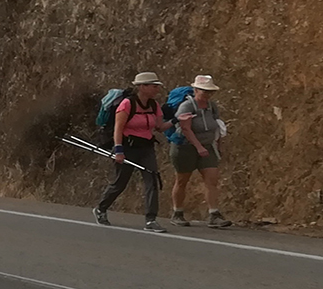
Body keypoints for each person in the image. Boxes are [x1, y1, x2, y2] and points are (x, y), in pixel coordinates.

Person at [93, 72, 173, 232]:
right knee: (120, 183)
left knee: (152, 181)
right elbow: (118, 128)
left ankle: (151, 220)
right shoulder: (127, 104)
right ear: (142, 87)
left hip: (146, 148)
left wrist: (176, 120)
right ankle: (101, 208)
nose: (157, 89)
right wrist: (119, 150)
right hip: (127, 147)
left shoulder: (154, 105)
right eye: (154, 86)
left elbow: (159, 127)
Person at [169, 75, 232, 228]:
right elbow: (186, 129)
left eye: (210, 91)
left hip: (207, 147)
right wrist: (198, 147)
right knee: (182, 180)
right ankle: (177, 212)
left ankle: (214, 214)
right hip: (185, 147)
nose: (207, 94)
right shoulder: (186, 106)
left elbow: (217, 126)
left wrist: (218, 146)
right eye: (204, 91)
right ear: (196, 90)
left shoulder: (212, 106)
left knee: (212, 180)